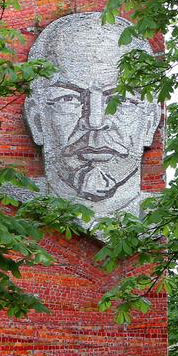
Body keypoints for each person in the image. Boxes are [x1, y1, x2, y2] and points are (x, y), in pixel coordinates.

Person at [21, 12, 162, 223]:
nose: (95, 121)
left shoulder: (171, 218)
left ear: (149, 123)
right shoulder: (8, 210)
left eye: (121, 100)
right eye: (68, 99)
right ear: (37, 120)